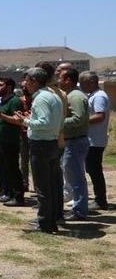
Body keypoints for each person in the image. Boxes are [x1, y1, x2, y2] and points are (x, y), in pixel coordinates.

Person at [18, 67, 63, 233]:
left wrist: (25, 121)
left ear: (34, 81)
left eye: (27, 80)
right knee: (50, 185)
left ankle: (45, 223)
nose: (25, 84)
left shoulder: (42, 98)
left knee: (43, 187)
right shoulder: (52, 95)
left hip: (42, 145)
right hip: (51, 143)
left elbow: (43, 123)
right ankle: (51, 220)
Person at [0, 78, 26, 206]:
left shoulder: (15, 101)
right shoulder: (3, 101)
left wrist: (0, 115)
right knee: (3, 168)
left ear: (9, 87)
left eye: (0, 85)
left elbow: (17, 120)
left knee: (12, 168)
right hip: (0, 139)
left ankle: (18, 196)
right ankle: (6, 192)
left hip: (10, 140)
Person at [58, 68, 89, 220]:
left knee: (76, 178)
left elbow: (79, 119)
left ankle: (79, 210)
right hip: (72, 141)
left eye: (60, 78)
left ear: (68, 80)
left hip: (75, 141)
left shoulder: (75, 96)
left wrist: (58, 122)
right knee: (73, 177)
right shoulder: (69, 95)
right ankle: (78, 208)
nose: (58, 80)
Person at [80, 71, 109, 210]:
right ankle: (99, 198)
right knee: (92, 169)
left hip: (95, 140)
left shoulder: (99, 97)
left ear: (91, 82)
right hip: (92, 139)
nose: (82, 86)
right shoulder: (93, 95)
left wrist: (81, 121)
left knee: (94, 170)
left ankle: (100, 200)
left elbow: (99, 116)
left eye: (84, 83)